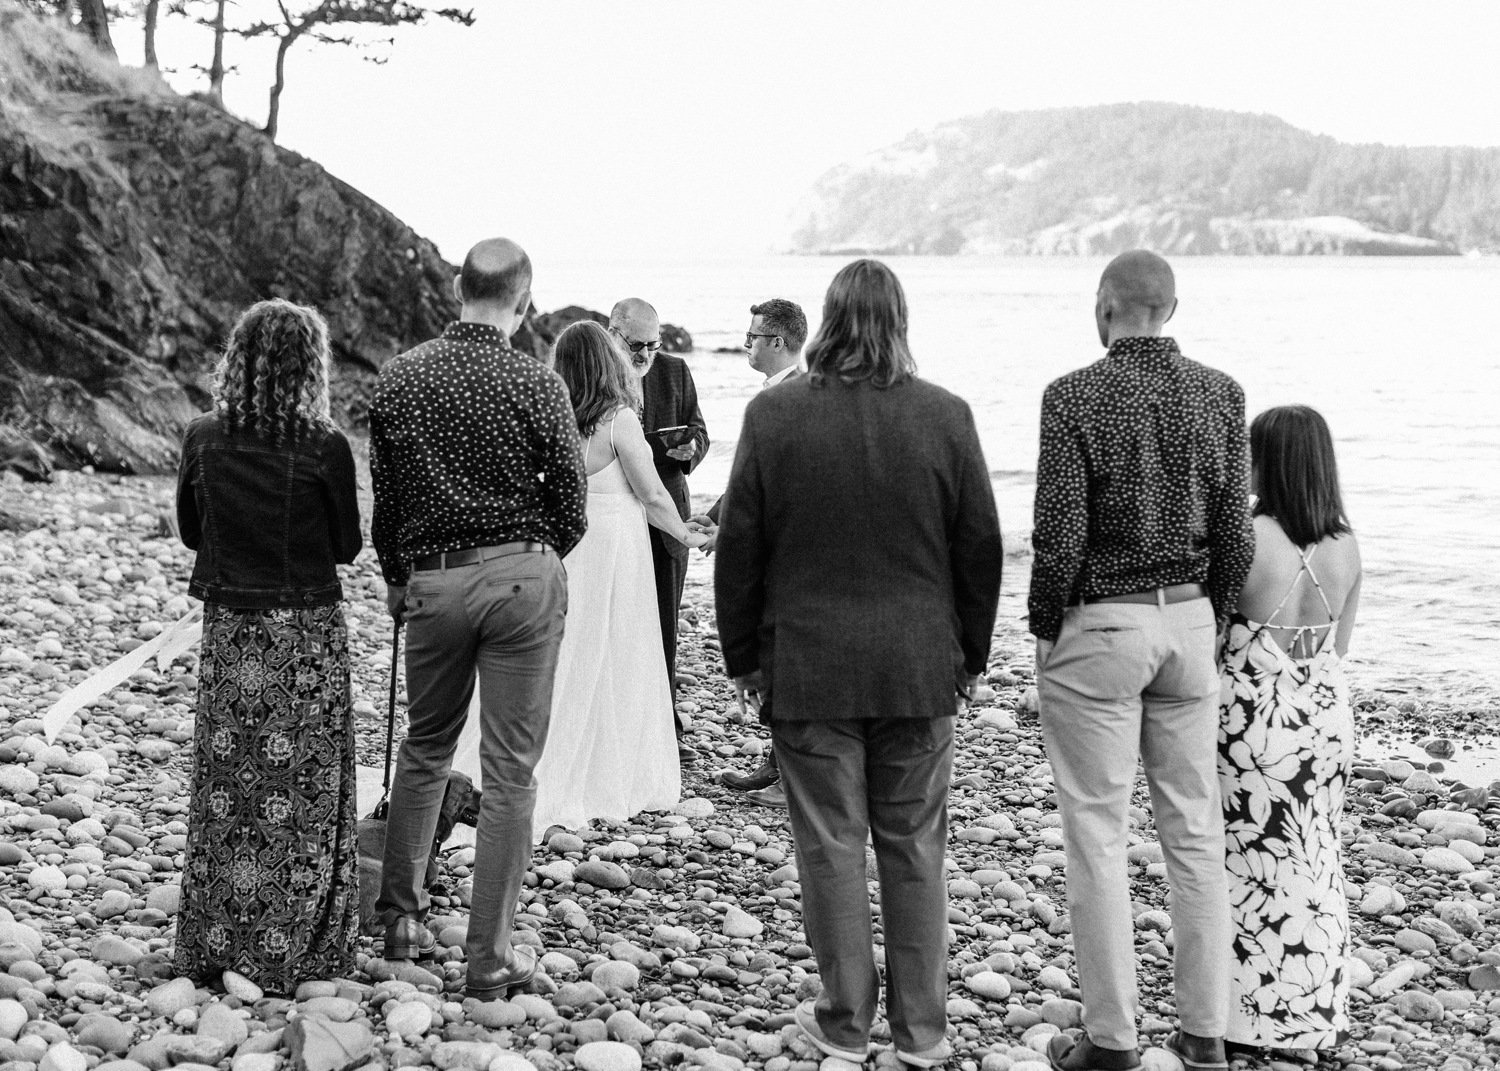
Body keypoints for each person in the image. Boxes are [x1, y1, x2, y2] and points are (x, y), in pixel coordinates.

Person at [715, 259, 1003, 1068]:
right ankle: (923, 1032)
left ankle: (844, 1021)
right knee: (914, 846)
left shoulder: (776, 418)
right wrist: (969, 655)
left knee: (832, 846)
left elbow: (740, 545)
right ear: (900, 320)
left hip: (809, 665)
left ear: (830, 321)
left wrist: (742, 655)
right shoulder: (945, 415)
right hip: (919, 667)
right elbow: (979, 547)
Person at [1029, 250, 1254, 1071]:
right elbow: (1234, 530)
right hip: (1188, 623)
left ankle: (1113, 1039)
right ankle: (1203, 1033)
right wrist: (1213, 617)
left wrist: (1045, 624)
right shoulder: (1221, 393)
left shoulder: (1073, 394)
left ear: (1104, 306)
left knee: (1096, 833)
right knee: (1193, 832)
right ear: (1171, 308)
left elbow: (1060, 531)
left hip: (1102, 625)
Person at [370, 238, 587, 1000]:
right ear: (524, 301)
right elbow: (570, 498)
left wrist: (400, 577)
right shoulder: (535, 381)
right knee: (509, 774)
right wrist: (534, 560)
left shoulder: (398, 378)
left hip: (432, 579)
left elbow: (388, 507)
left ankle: (399, 919)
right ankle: (487, 961)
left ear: (456, 288)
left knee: (425, 746)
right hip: (521, 575)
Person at [174, 298, 362, 994]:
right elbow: (346, 545)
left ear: (238, 357)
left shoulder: (203, 435)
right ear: (311, 365)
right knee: (306, 784)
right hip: (303, 633)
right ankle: (299, 939)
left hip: (231, 630)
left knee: (229, 784)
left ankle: (216, 934)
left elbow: (193, 532)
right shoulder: (326, 445)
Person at [452, 321, 708, 835]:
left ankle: (508, 770)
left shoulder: (544, 416)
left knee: (555, 656)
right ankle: (600, 775)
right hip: (614, 556)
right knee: (611, 655)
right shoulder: (619, 421)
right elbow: (655, 498)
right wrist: (690, 534)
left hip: (560, 552)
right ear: (608, 362)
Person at [1219, 405, 1361, 1058]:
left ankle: (1247, 1016)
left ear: (1266, 461)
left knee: (1248, 864)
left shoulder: (1247, 538)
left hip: (1255, 722)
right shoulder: (1347, 545)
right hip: (1325, 719)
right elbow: (1339, 650)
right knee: (1317, 858)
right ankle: (1314, 1014)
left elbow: (1214, 639)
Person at [690, 298, 809, 808]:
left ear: (777, 342)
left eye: (753, 337)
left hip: (785, 559)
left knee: (781, 657)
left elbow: (779, 489)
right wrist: (714, 518)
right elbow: (749, 477)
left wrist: (731, 533)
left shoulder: (795, 399)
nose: (746, 345)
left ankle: (791, 776)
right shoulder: (781, 395)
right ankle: (780, 762)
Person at [611, 298, 709, 764]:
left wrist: (691, 449)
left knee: (665, 625)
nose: (645, 354)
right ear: (613, 333)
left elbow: (700, 430)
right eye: (636, 345)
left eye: (653, 344)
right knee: (619, 624)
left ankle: (665, 728)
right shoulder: (598, 373)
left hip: (669, 511)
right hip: (617, 515)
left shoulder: (675, 370)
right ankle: (619, 724)